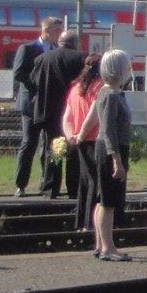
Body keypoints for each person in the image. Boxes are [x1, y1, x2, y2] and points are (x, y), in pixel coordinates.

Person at [78, 49, 134, 260]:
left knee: (104, 199)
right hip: (111, 149)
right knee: (108, 201)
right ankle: (108, 248)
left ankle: (101, 245)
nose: (129, 70)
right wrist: (117, 160)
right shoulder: (110, 94)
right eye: (126, 66)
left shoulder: (111, 92)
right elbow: (109, 129)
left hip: (110, 148)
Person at [10, 15, 62, 197]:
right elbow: (18, 73)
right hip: (31, 104)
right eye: (57, 31)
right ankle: (21, 184)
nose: (60, 34)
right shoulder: (28, 49)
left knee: (52, 145)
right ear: (46, 30)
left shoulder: (57, 51)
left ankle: (48, 184)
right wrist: (38, 84)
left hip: (51, 105)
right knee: (29, 143)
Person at [30, 28, 85, 200]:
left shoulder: (42, 59)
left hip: (49, 112)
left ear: (60, 42)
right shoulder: (81, 58)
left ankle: (50, 188)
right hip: (72, 112)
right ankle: (73, 188)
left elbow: (33, 81)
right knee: (73, 150)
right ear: (75, 43)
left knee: (52, 149)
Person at [62, 53, 103, 235]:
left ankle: (81, 222)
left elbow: (67, 117)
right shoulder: (99, 87)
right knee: (95, 182)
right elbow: (93, 116)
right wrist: (82, 135)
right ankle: (90, 224)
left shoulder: (75, 87)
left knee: (84, 182)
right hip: (95, 139)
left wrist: (71, 135)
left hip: (80, 141)